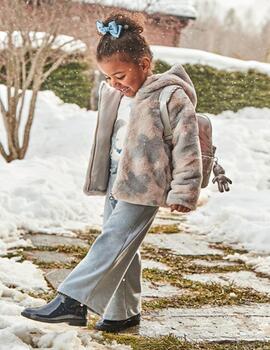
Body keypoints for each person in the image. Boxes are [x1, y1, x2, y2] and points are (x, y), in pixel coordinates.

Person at [21, 13, 202, 332]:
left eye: (120, 75)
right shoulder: (116, 95)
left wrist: (185, 191)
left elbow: (188, 146)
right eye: (108, 77)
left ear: (144, 64)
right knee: (123, 247)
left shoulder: (170, 95)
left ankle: (71, 301)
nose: (115, 83)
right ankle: (123, 312)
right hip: (118, 181)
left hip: (147, 183)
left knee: (113, 239)